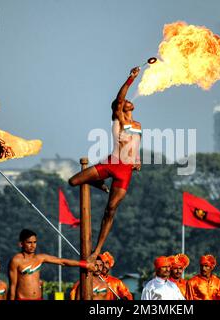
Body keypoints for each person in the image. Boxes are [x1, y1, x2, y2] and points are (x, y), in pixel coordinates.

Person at [69, 66, 142, 262]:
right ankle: (97, 182)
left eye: (128, 101)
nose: (127, 101)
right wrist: (130, 79)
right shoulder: (118, 118)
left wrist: (137, 159)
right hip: (112, 162)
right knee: (73, 181)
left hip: (125, 171)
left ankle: (97, 250)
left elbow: (135, 145)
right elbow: (119, 100)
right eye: (124, 102)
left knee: (110, 211)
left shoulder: (138, 126)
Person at [8, 229, 94, 300]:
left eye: (34, 242)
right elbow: (13, 286)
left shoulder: (40, 258)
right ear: (21, 244)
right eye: (29, 242)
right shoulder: (16, 260)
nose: (33, 245)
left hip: (38, 298)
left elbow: (62, 261)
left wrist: (84, 264)